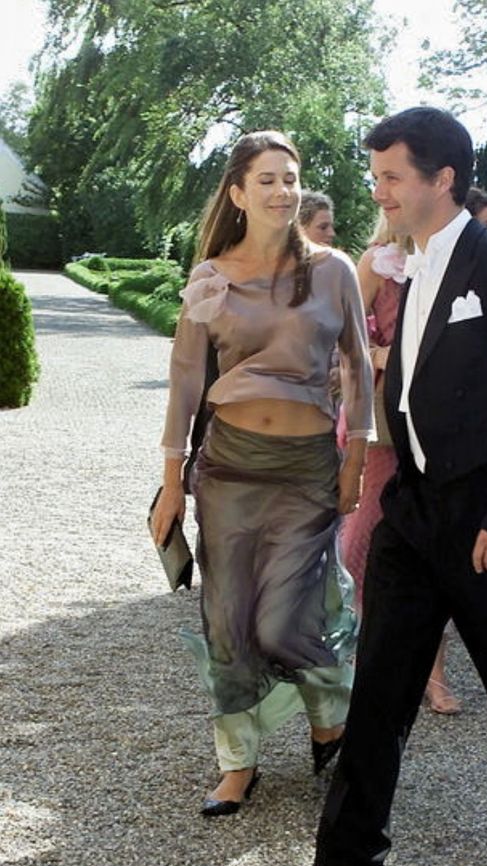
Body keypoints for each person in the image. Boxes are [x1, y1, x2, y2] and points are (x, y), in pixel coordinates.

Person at [277, 107, 487, 866]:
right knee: (379, 695)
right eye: (377, 175)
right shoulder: (401, 269)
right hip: (413, 514)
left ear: (440, 178)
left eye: (390, 177)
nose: (377, 191)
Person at [150, 131, 374, 815]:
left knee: (281, 622)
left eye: (291, 177)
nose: (284, 190)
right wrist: (170, 477)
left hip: (307, 467)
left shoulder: (334, 269)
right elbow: (187, 377)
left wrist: (357, 460)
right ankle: (238, 764)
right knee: (227, 620)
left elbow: (358, 367)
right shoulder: (211, 276)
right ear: (239, 193)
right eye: (267, 179)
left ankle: (331, 716)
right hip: (228, 468)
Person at [341, 211, 461, 715]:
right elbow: (344, 345)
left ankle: (433, 673)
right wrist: (389, 354)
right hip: (387, 423)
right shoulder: (375, 263)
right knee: (364, 539)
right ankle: (362, 655)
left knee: (432, 546)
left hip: (442, 424)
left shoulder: (457, 263)